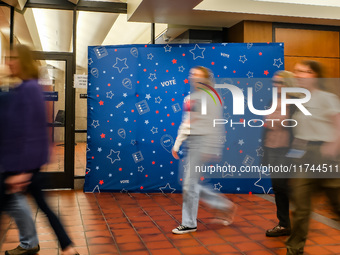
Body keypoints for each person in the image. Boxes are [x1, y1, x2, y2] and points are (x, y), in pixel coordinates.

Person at [1, 45, 79, 255]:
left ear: (24, 61)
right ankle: (67, 248)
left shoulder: (30, 89)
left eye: (12, 58)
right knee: (44, 208)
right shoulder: (23, 88)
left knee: (44, 208)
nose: (8, 62)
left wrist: (24, 172)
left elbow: (33, 132)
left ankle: (54, 246)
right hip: (19, 165)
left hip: (22, 167)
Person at [171, 66, 236, 234]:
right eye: (192, 74)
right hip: (190, 143)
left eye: (199, 75)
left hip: (203, 142)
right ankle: (223, 205)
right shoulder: (189, 98)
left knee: (189, 184)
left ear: (206, 78)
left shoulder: (212, 97)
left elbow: (216, 125)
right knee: (187, 183)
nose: (194, 77)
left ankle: (189, 223)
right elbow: (186, 123)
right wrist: (178, 143)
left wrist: (212, 147)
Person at [286, 60, 340, 255]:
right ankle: (294, 250)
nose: (299, 74)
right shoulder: (298, 99)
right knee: (300, 208)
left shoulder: (327, 97)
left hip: (325, 156)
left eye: (305, 72)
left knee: (337, 205)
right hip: (303, 156)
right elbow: (299, 132)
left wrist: (333, 147)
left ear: (315, 75)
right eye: (297, 71)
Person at [263, 70, 296, 237]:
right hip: (272, 148)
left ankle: (293, 219)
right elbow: (266, 124)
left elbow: (296, 128)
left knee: (284, 186)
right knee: (278, 186)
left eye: (280, 82)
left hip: (287, 150)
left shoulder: (296, 103)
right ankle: (284, 224)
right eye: (275, 82)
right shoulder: (273, 100)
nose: (276, 85)